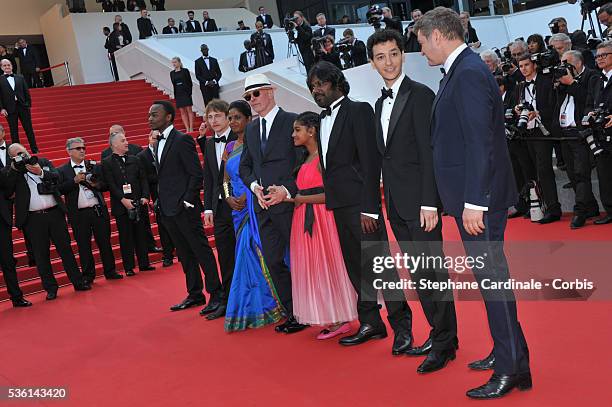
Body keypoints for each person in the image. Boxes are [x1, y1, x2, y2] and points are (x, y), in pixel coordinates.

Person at [414, 7, 531, 399]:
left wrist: (476, 202)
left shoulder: (465, 73)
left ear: (436, 35)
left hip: (478, 201)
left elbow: (482, 141)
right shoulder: (462, 71)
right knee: (491, 282)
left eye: (420, 41)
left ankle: (510, 368)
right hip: (472, 198)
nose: (421, 49)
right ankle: (511, 355)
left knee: (493, 283)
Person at [306, 61, 412, 353]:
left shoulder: (358, 110)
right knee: (357, 267)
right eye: (313, 86)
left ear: (337, 82)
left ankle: (402, 327)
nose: (317, 90)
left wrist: (370, 207)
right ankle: (371, 322)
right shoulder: (320, 118)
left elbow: (370, 161)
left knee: (381, 267)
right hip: (338, 206)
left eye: (321, 84)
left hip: (361, 206)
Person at [368, 28, 458, 370]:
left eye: (393, 53)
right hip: (397, 204)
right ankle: (441, 334)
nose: (388, 62)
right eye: (380, 57)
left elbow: (428, 152)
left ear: (402, 55)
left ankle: (444, 343)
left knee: (432, 274)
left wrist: (429, 203)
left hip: (420, 205)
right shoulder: (379, 104)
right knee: (420, 275)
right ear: (372, 62)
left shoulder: (420, 95)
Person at [238, 73, 306, 334]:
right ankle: (294, 313)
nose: (252, 100)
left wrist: (286, 190)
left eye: (256, 93)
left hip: (291, 205)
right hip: (263, 207)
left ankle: (315, 308)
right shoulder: (252, 129)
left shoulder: (292, 122)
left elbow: (303, 162)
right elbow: (246, 166)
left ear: (271, 91)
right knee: (275, 262)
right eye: (248, 96)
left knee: (302, 261)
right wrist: (255, 188)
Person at [286, 111, 357, 339]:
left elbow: (331, 194)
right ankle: (334, 315)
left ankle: (342, 317)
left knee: (329, 265)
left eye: (297, 129)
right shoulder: (305, 158)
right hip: (305, 220)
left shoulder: (323, 158)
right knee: (317, 269)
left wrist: (300, 199)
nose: (293, 134)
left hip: (323, 219)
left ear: (312, 130)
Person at [148, 100, 223, 313]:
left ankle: (216, 293)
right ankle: (195, 293)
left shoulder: (182, 140)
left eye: (155, 114)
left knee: (200, 250)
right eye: (149, 115)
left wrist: (187, 201)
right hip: (168, 209)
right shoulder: (156, 143)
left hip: (184, 208)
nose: (150, 118)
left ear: (169, 117)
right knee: (184, 253)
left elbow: (196, 174)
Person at [223, 100, 284, 331]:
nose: (232, 122)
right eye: (230, 118)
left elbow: (262, 173)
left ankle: (273, 303)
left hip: (255, 203)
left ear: (249, 120)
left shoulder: (259, 141)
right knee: (244, 256)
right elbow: (225, 180)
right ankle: (253, 306)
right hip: (236, 211)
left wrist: (249, 195)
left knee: (255, 251)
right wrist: (228, 197)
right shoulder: (229, 149)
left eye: (237, 117)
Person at [2, 143, 91, 300]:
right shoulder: (11, 172)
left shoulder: (42, 162)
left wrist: (41, 172)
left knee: (65, 250)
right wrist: (15, 170)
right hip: (33, 219)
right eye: (18, 155)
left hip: (55, 213)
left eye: (23, 153)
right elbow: (8, 191)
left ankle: (78, 281)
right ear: (12, 158)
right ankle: (50, 288)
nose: (23, 157)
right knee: (41, 255)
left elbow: (57, 176)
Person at [58, 138, 123, 283]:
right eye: (78, 148)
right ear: (69, 151)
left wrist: (96, 184)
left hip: (97, 210)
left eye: (83, 148)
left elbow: (106, 186)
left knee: (104, 242)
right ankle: (88, 275)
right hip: (78, 213)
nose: (82, 150)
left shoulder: (94, 166)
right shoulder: (62, 170)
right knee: (83, 245)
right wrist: (73, 181)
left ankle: (110, 271)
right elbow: (59, 190)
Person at [195, 100, 237, 320]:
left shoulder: (238, 138)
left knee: (246, 252)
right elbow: (209, 179)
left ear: (227, 116)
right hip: (220, 208)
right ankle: (229, 300)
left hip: (239, 206)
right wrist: (208, 208)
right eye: (210, 117)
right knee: (225, 255)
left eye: (217, 116)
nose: (214, 121)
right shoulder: (210, 143)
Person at [514, 53, 562, 224]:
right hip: (527, 133)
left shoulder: (545, 82)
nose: (524, 69)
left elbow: (554, 106)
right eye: (520, 66)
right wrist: (518, 111)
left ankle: (553, 209)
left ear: (534, 65)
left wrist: (539, 113)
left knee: (544, 170)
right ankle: (539, 206)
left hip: (543, 131)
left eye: (526, 65)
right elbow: (516, 107)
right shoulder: (519, 86)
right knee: (533, 171)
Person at [556, 50, 600, 228]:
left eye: (566, 63)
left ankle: (580, 211)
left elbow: (589, 100)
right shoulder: (562, 78)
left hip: (581, 133)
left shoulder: (592, 76)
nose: (562, 67)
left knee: (581, 174)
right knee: (573, 174)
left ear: (578, 63)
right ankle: (591, 207)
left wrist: (571, 83)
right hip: (564, 133)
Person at [101, 129, 154, 276]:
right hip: (121, 205)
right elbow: (111, 184)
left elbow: (143, 179)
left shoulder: (135, 159)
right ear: (114, 144)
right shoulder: (107, 163)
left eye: (126, 140)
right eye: (123, 141)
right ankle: (129, 267)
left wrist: (145, 196)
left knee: (141, 235)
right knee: (126, 237)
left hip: (138, 201)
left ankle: (144, 263)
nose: (127, 143)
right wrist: (123, 200)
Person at [0, 125, 31, 307]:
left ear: (4, 133)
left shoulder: (15, 151)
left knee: (7, 259)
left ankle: (16, 297)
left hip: (5, 213)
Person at [137, 131, 175, 267]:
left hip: (172, 193)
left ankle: (182, 251)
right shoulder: (142, 156)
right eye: (154, 138)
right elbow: (144, 178)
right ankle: (168, 255)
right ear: (149, 138)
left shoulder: (167, 151)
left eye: (159, 138)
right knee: (163, 226)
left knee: (177, 223)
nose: (157, 141)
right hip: (157, 196)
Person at [585, 41, 612, 225]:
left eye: (604, 55)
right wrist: (591, 113)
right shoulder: (596, 79)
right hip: (601, 135)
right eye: (597, 56)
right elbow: (590, 102)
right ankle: (610, 210)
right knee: (605, 176)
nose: (600, 58)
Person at [0, 59, 39, 153]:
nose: (7, 67)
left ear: (12, 66)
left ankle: (35, 149)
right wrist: (1, 109)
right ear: (1, 67)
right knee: (14, 131)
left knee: (29, 129)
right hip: (9, 109)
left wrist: (28, 104)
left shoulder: (20, 77)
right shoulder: (0, 79)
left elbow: (26, 91)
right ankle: (17, 152)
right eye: (4, 65)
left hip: (23, 107)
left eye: (8, 65)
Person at [170, 57, 194, 132]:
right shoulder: (172, 73)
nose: (174, 64)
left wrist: (189, 92)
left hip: (186, 92)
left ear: (179, 62)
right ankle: (187, 128)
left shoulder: (185, 71)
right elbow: (174, 84)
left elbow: (190, 82)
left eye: (175, 62)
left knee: (189, 110)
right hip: (178, 93)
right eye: (173, 62)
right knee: (182, 112)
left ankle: (191, 127)